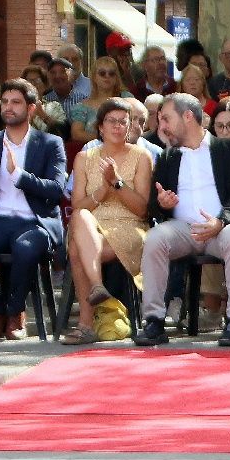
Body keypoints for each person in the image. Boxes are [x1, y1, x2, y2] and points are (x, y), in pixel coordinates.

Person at [135, 93, 230, 348]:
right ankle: (154, 320)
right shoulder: (169, 156)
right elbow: (154, 205)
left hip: (221, 228)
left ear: (188, 116)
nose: (162, 126)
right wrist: (163, 204)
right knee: (155, 238)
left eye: (167, 119)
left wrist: (221, 221)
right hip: (183, 230)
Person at [0, 80, 69, 341]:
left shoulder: (50, 143)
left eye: (16, 102)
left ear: (31, 108)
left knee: (26, 248)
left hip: (35, 221)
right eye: (5, 101)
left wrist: (18, 174)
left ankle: (17, 311)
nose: (8, 107)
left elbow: (55, 190)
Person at [61, 99, 154, 344]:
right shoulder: (84, 158)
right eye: (111, 121)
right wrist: (102, 191)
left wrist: (116, 183)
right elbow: (78, 205)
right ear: (100, 127)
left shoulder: (141, 156)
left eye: (123, 121)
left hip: (129, 225)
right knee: (81, 217)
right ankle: (97, 286)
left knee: (76, 249)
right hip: (91, 226)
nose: (118, 126)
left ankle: (86, 323)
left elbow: (142, 209)